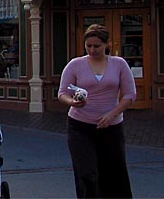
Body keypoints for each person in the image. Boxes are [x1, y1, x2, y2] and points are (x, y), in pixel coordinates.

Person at [59, 24, 136, 199]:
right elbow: (62, 93)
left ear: (107, 44)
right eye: (89, 46)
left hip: (111, 127)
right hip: (80, 126)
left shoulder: (119, 64)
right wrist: (73, 102)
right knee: (87, 173)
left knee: (114, 172)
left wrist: (112, 114)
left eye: (97, 46)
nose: (92, 50)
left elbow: (130, 95)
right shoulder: (75, 65)